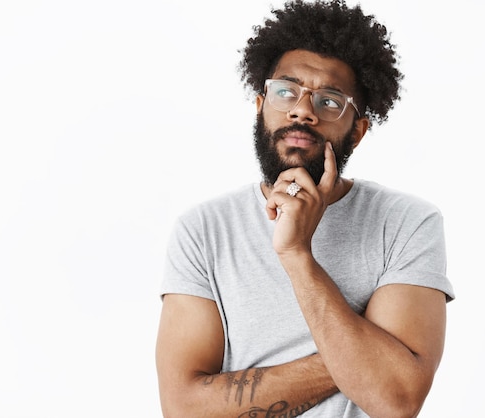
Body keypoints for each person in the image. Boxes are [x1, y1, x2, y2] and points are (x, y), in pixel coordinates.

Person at [155, 0, 455, 416]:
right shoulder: (204, 229)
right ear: (260, 106)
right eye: (285, 91)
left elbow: (397, 399)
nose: (302, 110)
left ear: (358, 131)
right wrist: (365, 356)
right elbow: (184, 409)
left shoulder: (406, 223)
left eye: (330, 101)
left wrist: (297, 256)